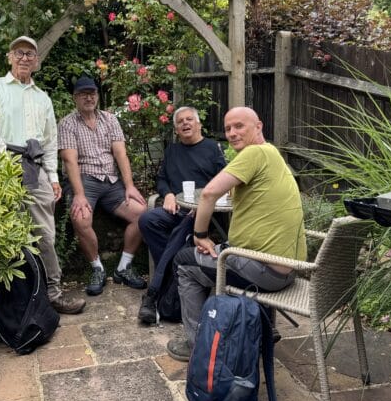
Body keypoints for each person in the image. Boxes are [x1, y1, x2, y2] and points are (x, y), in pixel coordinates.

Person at [166, 106, 307, 361]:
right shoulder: (272, 153)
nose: (232, 133)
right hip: (288, 268)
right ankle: (260, 329)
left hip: (264, 271)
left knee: (184, 263)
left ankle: (199, 346)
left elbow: (209, 193)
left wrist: (200, 234)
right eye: (228, 128)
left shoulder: (254, 153)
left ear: (258, 126)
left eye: (239, 126)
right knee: (221, 251)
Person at [0, 35, 86, 315]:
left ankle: (53, 293)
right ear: (9, 57)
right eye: (19, 53)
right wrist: (5, 167)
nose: (24, 58)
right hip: (2, 169)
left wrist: (53, 178)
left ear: (36, 62)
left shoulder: (42, 98)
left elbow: (49, 141)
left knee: (45, 235)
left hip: (36, 170)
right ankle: (13, 303)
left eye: (30, 54)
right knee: (6, 235)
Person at [58, 76, 148, 296]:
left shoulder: (110, 119)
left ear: (98, 96)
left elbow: (121, 154)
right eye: (83, 94)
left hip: (111, 180)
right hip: (84, 179)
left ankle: (123, 266)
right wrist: (79, 194)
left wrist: (129, 186)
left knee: (142, 214)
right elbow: (70, 160)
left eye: (92, 93)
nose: (88, 98)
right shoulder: (67, 124)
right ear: (75, 98)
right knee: (81, 218)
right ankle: (97, 268)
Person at [137, 106, 226, 324]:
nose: (185, 123)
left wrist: (204, 204)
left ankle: (153, 294)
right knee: (147, 220)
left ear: (198, 124)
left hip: (203, 214)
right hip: (176, 209)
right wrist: (167, 194)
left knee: (182, 230)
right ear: (176, 129)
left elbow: (223, 181)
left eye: (189, 119)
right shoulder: (172, 151)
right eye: (180, 122)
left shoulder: (212, 149)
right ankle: (171, 278)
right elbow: (161, 179)